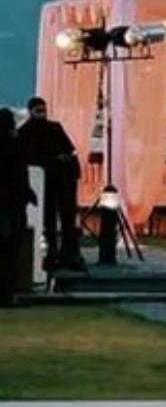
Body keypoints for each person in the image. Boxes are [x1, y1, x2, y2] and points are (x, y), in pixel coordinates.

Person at [16, 96, 84, 271]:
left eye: (44, 110)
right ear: (31, 112)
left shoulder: (55, 128)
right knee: (48, 222)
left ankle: (69, 254)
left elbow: (69, 150)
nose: (42, 114)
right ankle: (50, 255)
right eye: (38, 111)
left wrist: (63, 161)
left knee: (68, 219)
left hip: (62, 181)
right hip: (42, 184)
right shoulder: (24, 132)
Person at [0, 108, 34, 305]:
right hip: (12, 205)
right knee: (11, 250)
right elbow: (21, 176)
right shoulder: (15, 146)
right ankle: (7, 294)